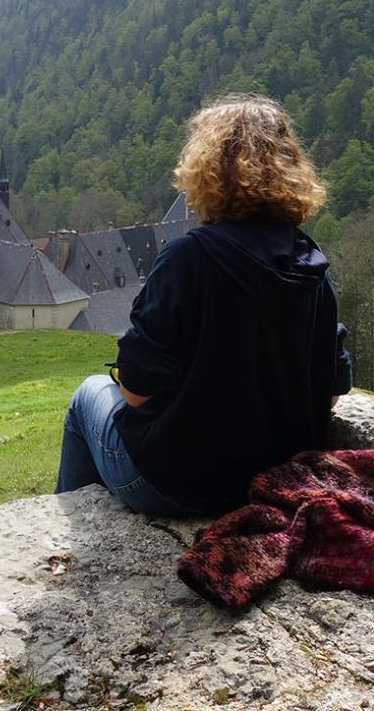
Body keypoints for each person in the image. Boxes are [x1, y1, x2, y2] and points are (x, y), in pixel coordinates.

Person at [56, 95, 352, 515]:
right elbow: (332, 395)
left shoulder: (189, 258)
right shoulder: (309, 262)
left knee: (88, 395)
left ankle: (75, 532)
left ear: (206, 170)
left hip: (179, 485)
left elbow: (135, 392)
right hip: (274, 482)